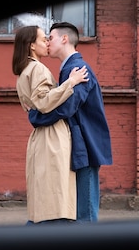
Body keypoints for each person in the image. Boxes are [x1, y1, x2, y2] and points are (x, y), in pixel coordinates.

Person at [28, 22, 113, 223]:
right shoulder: (69, 69)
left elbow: (67, 107)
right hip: (78, 144)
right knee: (76, 210)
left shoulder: (78, 69)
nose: (47, 42)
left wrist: (36, 116)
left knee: (85, 213)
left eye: (51, 38)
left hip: (85, 145)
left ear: (64, 39)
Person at [12, 25, 89, 224]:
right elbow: (44, 102)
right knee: (57, 199)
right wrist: (70, 82)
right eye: (43, 39)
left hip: (41, 137)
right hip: (52, 138)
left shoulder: (24, 71)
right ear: (31, 46)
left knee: (44, 198)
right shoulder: (37, 68)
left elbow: (33, 107)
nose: (47, 42)